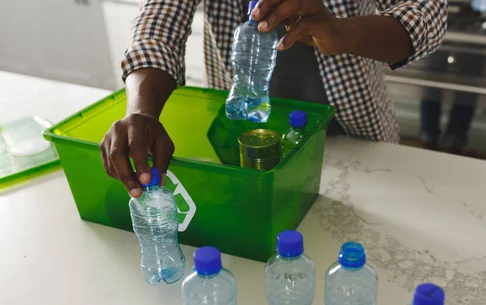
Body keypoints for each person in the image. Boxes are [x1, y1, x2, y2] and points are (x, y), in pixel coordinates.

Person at [100, 0, 448, 197]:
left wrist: (342, 32)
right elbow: (158, 24)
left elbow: (427, 12)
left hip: (353, 141)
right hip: (246, 144)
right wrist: (142, 112)